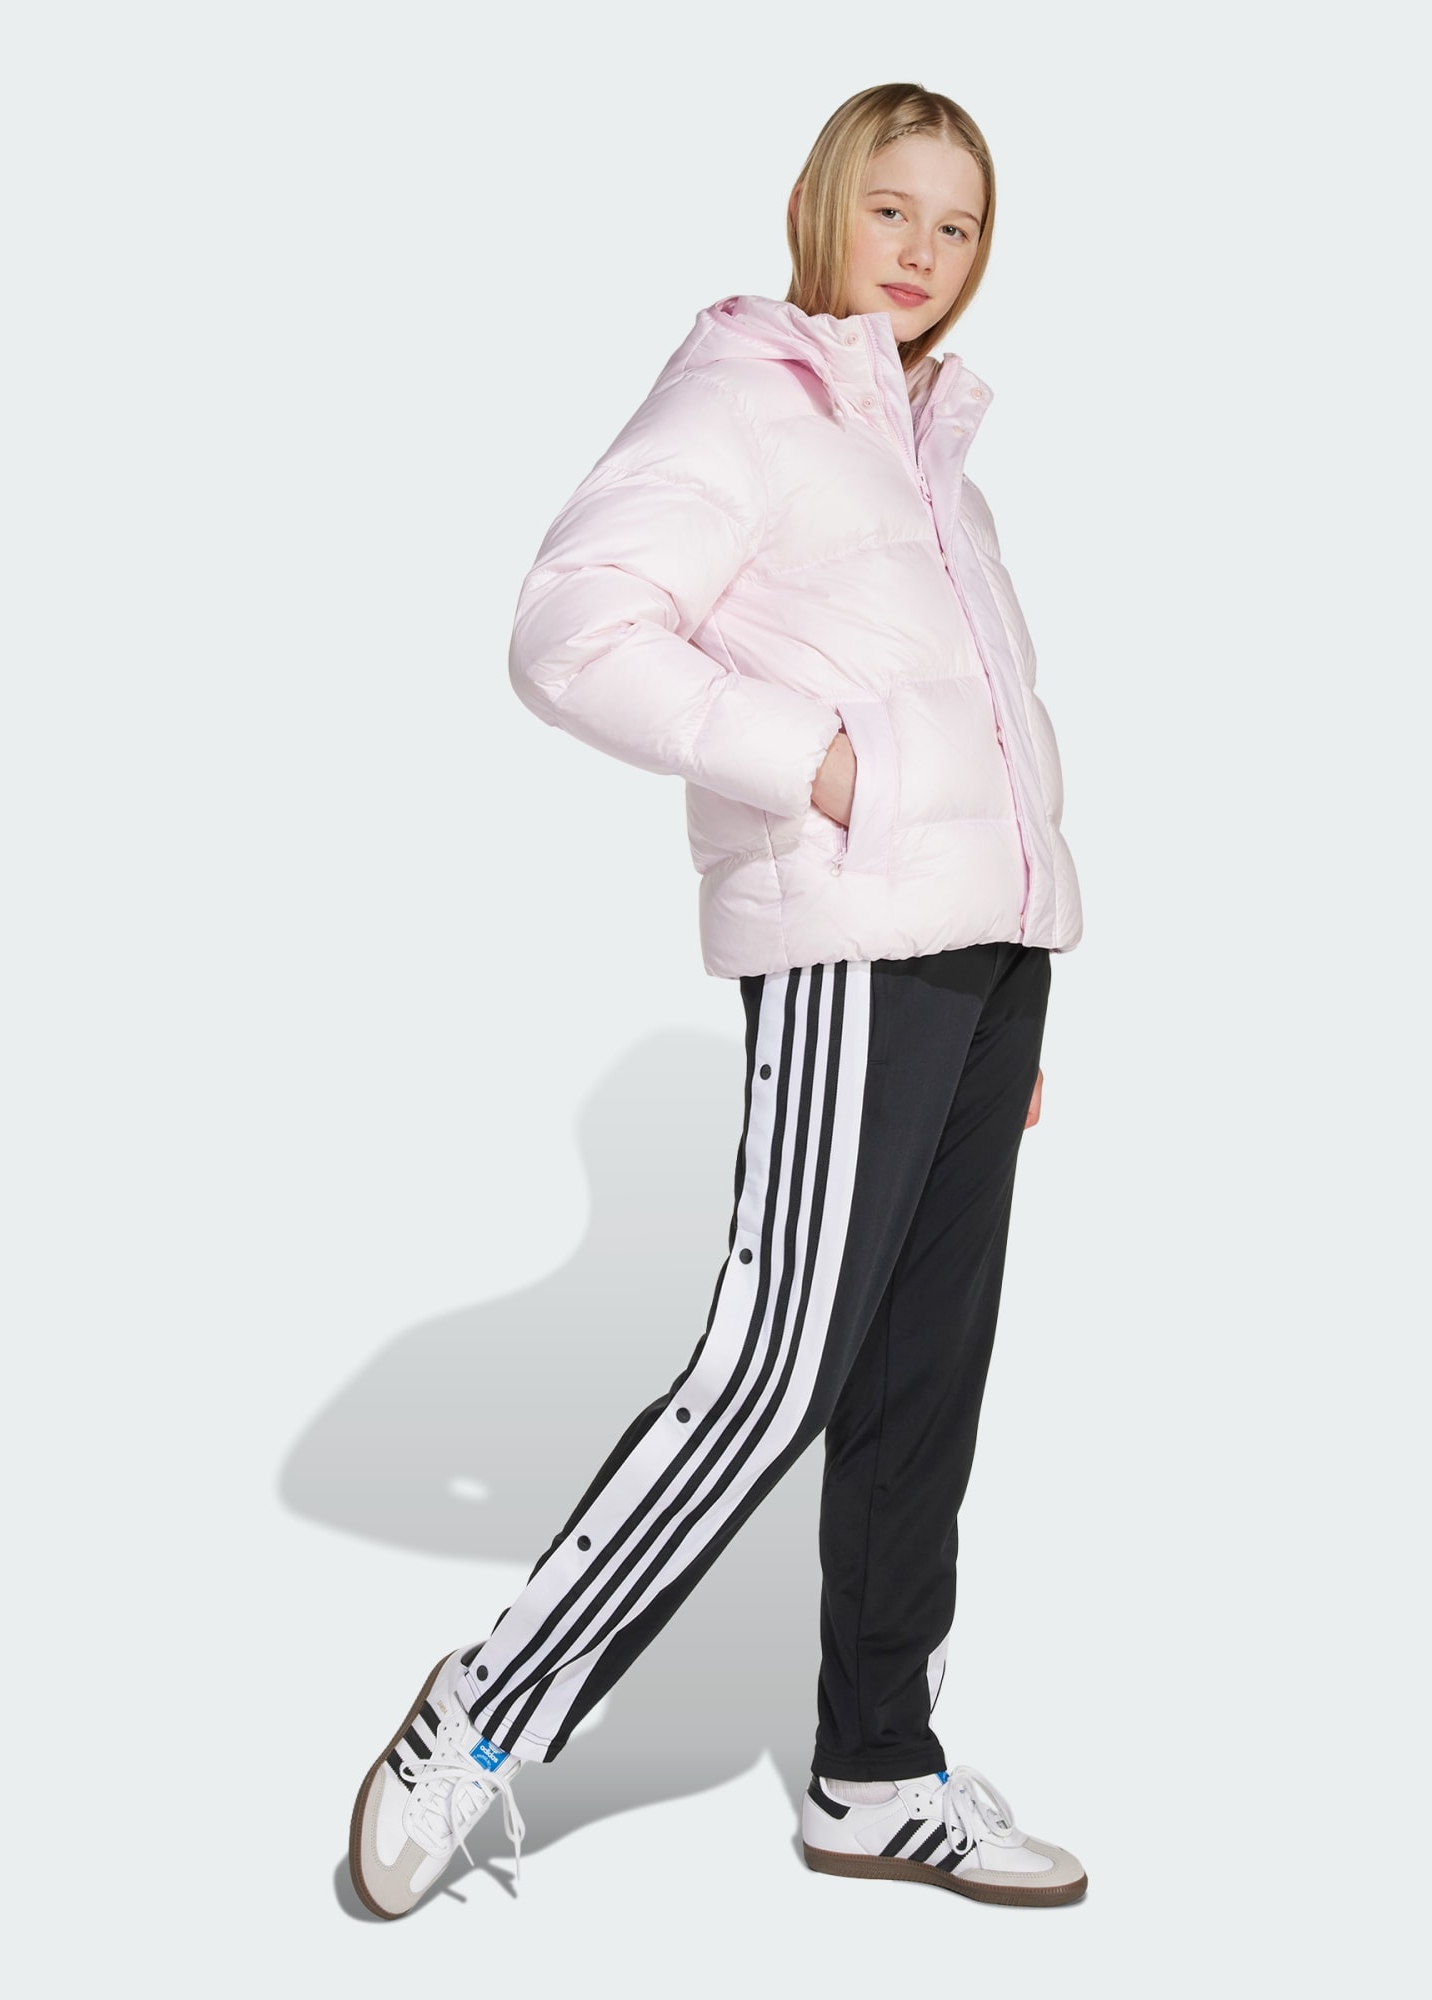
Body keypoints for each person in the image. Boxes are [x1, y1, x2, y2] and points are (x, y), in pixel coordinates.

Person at [348, 81, 1087, 1916]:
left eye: (959, 226)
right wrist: (817, 768)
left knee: (922, 1386)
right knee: (772, 1380)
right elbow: (571, 630)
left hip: (981, 973)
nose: (924, 252)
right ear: (822, 202)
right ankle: (482, 1713)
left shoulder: (934, 450)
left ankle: (876, 1772)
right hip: (850, 947)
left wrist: (1019, 970)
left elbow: (985, 733)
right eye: (894, 209)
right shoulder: (744, 396)